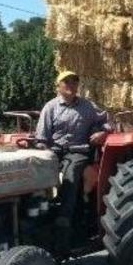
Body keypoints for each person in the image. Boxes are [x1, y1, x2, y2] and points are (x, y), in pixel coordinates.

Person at [35, 71, 111, 250]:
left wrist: (103, 132)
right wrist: (46, 157)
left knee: (70, 174)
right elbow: (41, 139)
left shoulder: (87, 106)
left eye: (74, 81)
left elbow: (107, 121)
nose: (71, 84)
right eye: (66, 81)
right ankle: (38, 217)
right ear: (58, 86)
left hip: (78, 152)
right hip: (54, 152)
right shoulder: (50, 107)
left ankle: (64, 225)